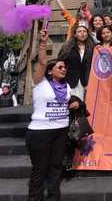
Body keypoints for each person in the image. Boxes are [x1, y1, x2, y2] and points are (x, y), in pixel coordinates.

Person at [26, 30, 79, 201]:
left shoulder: (68, 87)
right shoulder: (40, 83)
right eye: (60, 67)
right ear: (50, 72)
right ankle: (35, 198)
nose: (64, 69)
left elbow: (70, 102)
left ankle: (54, 198)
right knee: (40, 169)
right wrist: (43, 43)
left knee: (56, 167)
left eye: (65, 67)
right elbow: (41, 63)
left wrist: (75, 103)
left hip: (60, 132)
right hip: (40, 133)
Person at [57, 24, 94, 101]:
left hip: (87, 80)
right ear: (75, 34)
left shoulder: (92, 47)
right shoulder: (67, 47)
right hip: (70, 80)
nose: (82, 33)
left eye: (84, 31)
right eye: (79, 31)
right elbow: (60, 62)